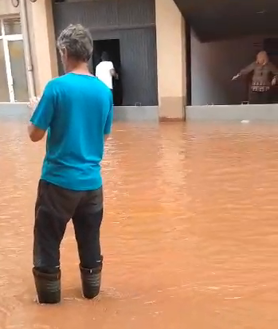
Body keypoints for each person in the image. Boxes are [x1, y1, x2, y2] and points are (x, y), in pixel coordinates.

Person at [28, 24, 113, 304]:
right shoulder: (104, 92)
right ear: (88, 53)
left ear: (64, 52)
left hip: (57, 184)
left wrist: (35, 111)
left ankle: (51, 303)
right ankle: (91, 293)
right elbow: (103, 133)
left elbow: (34, 135)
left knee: (47, 243)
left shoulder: (56, 88)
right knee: (90, 241)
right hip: (92, 185)